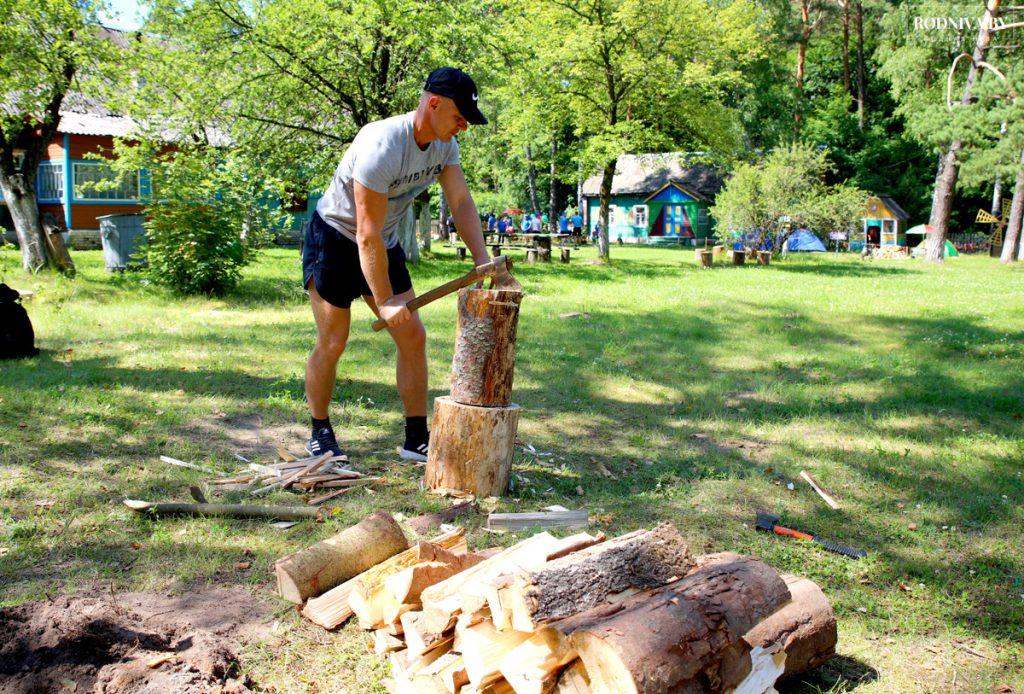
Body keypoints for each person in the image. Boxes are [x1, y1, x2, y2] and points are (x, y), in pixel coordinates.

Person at [302, 66, 490, 462]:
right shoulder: (381, 143)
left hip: (381, 243)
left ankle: (415, 437)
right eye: (459, 118)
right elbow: (364, 231)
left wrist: (484, 261)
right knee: (334, 341)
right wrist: (385, 300)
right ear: (433, 103)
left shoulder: (444, 145)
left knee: (412, 336)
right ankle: (320, 431)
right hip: (336, 237)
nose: (463, 128)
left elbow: (461, 203)